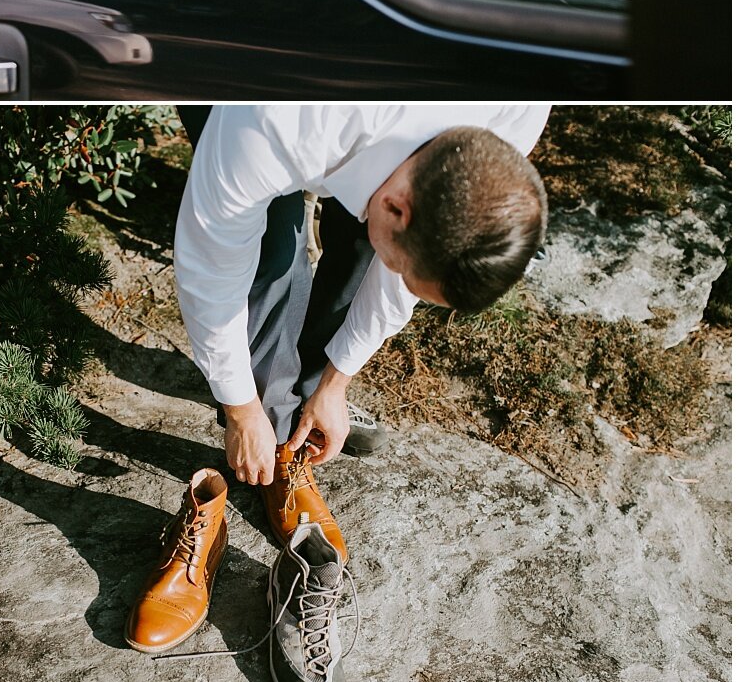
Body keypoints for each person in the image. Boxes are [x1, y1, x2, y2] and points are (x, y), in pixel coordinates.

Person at [173, 104, 549, 561]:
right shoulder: (269, 126)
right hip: (246, 78)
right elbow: (211, 272)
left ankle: (304, 404)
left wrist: (337, 382)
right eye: (403, 272)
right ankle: (272, 425)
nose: (399, 281)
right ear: (395, 205)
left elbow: (398, 275)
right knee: (273, 250)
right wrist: (241, 410)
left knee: (363, 246)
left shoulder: (511, 119)